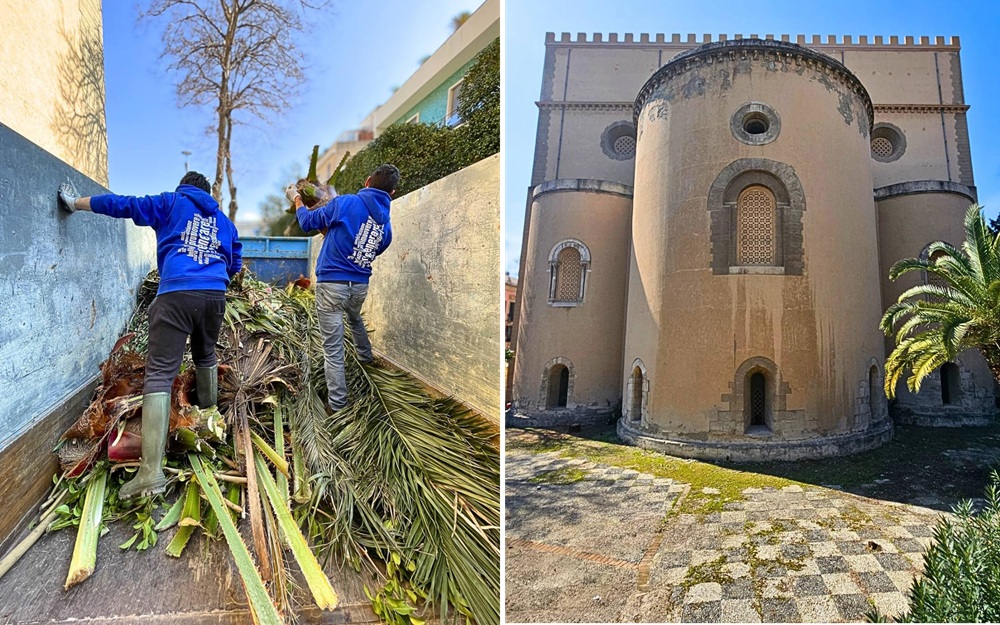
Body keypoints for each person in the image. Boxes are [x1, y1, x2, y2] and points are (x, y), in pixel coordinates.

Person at [58, 171, 242, 499]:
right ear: (207, 192)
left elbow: (122, 205)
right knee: (206, 355)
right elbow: (235, 261)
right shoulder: (223, 221)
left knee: (159, 375)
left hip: (176, 294)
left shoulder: (171, 202)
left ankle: (150, 473)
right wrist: (213, 277)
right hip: (215, 296)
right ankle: (208, 419)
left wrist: (76, 203)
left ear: (182, 187)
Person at [286, 164, 398, 412]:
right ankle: (366, 359)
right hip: (359, 286)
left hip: (332, 285)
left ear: (367, 181)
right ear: (391, 193)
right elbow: (375, 248)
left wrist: (296, 198)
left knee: (333, 348)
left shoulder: (346, 203)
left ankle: (337, 405)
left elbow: (306, 222)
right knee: (355, 317)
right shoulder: (386, 224)